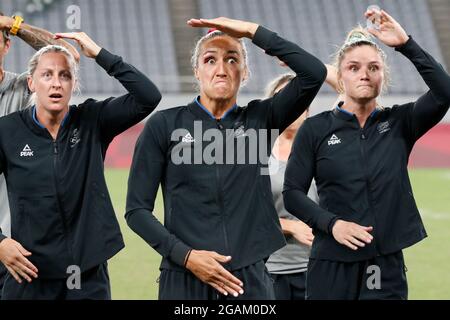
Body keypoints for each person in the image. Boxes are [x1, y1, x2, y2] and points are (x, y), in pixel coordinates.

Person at [125, 17, 327, 300]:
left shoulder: (261, 120)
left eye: (232, 60)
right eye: (210, 60)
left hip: (248, 279)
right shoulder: (164, 125)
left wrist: (250, 31)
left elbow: (313, 73)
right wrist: (186, 256)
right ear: (196, 70)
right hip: (184, 278)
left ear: (244, 73)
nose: (221, 69)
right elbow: (137, 211)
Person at [283, 9, 450, 300]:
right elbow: (293, 193)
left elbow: (444, 92)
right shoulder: (315, 129)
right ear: (341, 74)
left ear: (382, 76)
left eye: (373, 67)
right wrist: (332, 224)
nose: (364, 74)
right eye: (354, 67)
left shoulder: (400, 122)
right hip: (331, 262)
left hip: (384, 262)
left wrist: (405, 44)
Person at [0, 32, 161, 299]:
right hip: (28, 273)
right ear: (31, 83)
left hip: (87, 275)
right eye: (47, 75)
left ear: (74, 84)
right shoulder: (7, 131)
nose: (56, 83)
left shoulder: (92, 120)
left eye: (65, 75)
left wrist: (99, 54)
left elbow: (148, 97)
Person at [0, 11, 79, 298]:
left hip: (18, 246)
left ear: (6, 45)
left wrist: (14, 25)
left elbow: (68, 54)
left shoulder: (23, 87)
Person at [265, 68, 339, 300]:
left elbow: (353, 94)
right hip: (270, 269)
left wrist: (319, 69)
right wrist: (289, 226)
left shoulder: (323, 149)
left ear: (307, 110)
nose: (290, 106)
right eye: (282, 98)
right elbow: (240, 210)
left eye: (297, 98)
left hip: (319, 266)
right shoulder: (257, 152)